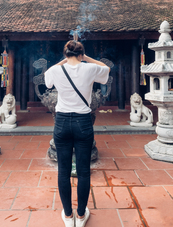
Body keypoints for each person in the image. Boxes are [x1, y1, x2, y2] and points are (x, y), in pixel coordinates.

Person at [45, 40, 110, 227]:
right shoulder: (89, 69)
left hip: (62, 122)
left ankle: (67, 215)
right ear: (81, 54)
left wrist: (63, 61)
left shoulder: (57, 70)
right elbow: (106, 69)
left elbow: (48, 78)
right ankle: (81, 216)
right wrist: (86, 58)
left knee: (63, 171)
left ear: (65, 54)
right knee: (83, 171)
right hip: (83, 122)